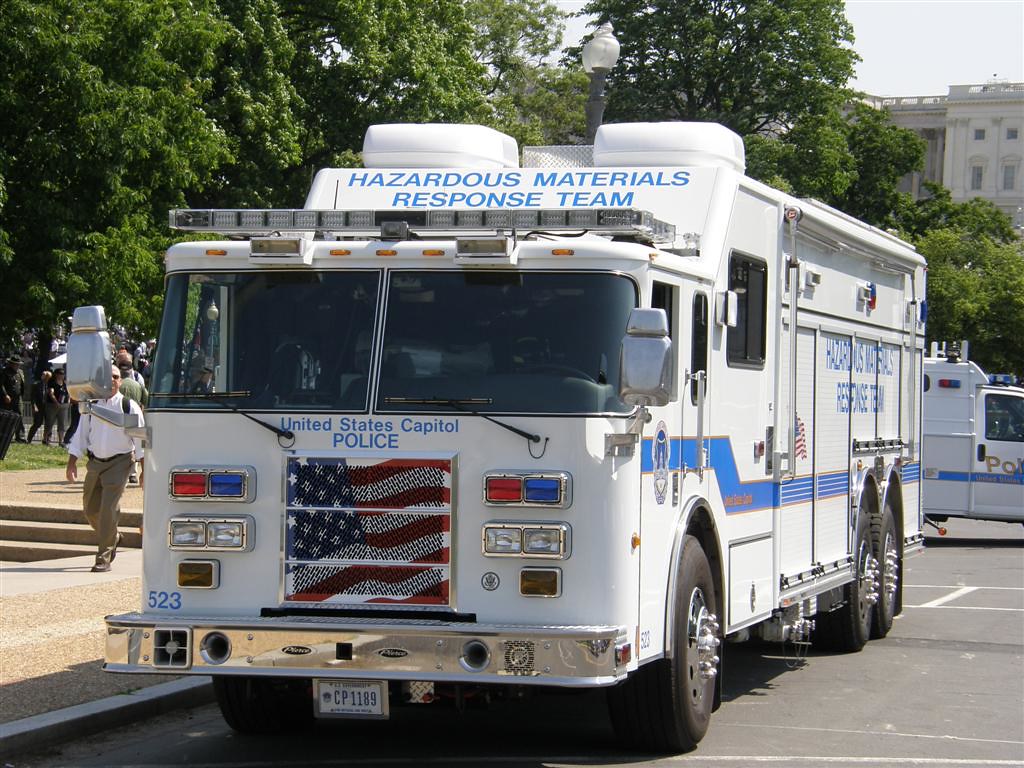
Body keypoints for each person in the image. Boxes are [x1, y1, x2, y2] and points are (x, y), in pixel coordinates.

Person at [66, 364, 145, 572]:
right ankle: (113, 536)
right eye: (108, 376)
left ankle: (103, 557)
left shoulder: (129, 406)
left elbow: (141, 441)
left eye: (116, 377)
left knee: (109, 508)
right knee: (90, 509)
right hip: (95, 463)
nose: (112, 380)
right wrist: (72, 462)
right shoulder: (90, 405)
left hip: (120, 463)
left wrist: (144, 469)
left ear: (121, 380)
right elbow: (81, 435)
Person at [116, 356, 148, 484]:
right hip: (134, 416)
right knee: (135, 445)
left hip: (117, 417)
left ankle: (119, 471)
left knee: (120, 444)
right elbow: (146, 400)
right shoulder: (138, 385)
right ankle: (133, 473)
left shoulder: (115, 385)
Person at [1, 356, 27, 442]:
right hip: (7, 398)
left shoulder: (20, 372)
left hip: (18, 398)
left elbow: (22, 385)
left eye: (18, 364)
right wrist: (5, 395)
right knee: (6, 416)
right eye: (16, 364)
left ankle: (20, 436)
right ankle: (4, 435)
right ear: (11, 364)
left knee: (19, 416)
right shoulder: (4, 372)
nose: (17, 366)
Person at [26, 370, 52, 444]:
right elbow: (32, 397)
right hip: (38, 406)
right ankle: (29, 439)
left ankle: (46, 440)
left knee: (48, 423)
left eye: (47, 377)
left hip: (46, 407)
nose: (45, 377)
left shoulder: (48, 385)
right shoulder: (36, 384)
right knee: (37, 423)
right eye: (44, 376)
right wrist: (34, 406)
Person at [47, 368, 70, 445]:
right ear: (56, 374)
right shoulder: (52, 382)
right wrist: (56, 402)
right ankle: (47, 440)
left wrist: (69, 401)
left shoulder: (65, 383)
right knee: (50, 423)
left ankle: (61, 441)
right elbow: (51, 393)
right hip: (52, 405)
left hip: (63, 406)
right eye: (60, 374)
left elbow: (69, 392)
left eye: (63, 374)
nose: (61, 375)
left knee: (62, 424)